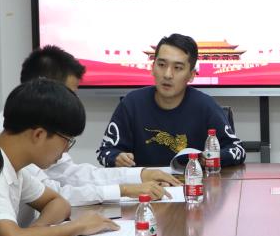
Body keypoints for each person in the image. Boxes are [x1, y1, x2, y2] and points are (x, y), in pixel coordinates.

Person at [0, 45, 177, 203]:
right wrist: (125, 188)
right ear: (46, 88)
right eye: (70, 93)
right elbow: (57, 193)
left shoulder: (36, 129)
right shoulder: (11, 133)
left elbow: (70, 176)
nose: (73, 101)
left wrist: (138, 176)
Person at [0, 78, 118, 236]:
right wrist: (79, 226)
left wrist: (36, 231)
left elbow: (59, 203)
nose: (66, 150)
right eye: (67, 140)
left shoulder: (14, 167)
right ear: (39, 135)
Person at [96, 32, 246, 168]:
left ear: (191, 75)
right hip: (144, 186)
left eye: (178, 68)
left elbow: (237, 150)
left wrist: (209, 158)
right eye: (161, 65)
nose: (167, 75)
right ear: (152, 67)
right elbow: (104, 152)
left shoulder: (205, 106)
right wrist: (116, 158)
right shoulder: (132, 104)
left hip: (193, 184)